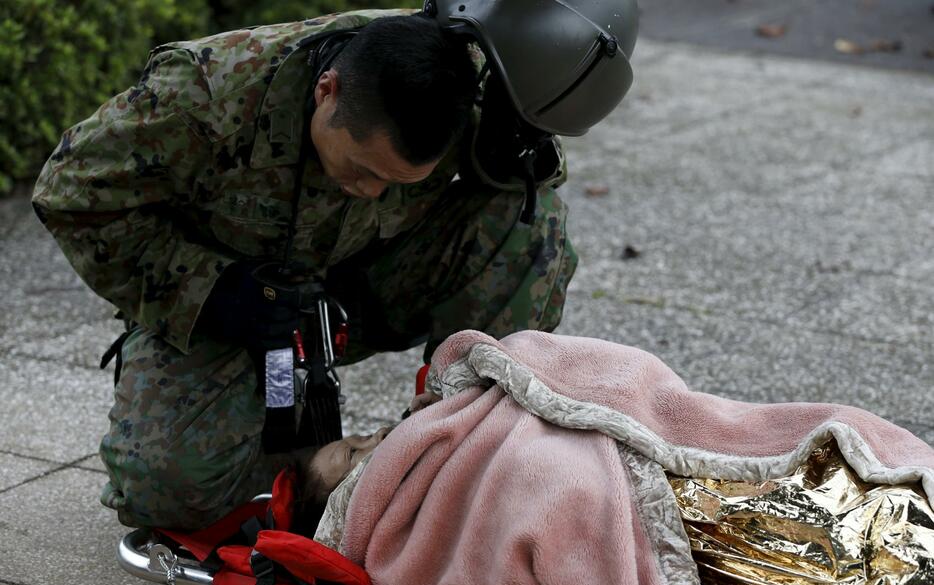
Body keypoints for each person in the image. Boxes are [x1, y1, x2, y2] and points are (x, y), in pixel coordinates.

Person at [31, 2, 639, 530]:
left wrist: (516, 148)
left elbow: (534, 184)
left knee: (531, 221)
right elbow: (71, 192)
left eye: (395, 183)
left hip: (359, 289)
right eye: (363, 171)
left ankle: (456, 442)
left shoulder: (467, 83)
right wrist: (211, 291)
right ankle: (309, 461)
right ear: (327, 91)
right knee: (165, 489)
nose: (372, 192)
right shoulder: (205, 94)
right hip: (233, 304)